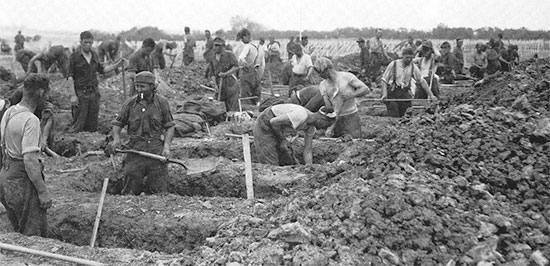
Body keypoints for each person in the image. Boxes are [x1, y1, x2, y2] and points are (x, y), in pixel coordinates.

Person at [0, 73, 53, 237]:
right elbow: (30, 160)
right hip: (22, 180)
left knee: (19, 229)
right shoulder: (30, 120)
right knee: (33, 233)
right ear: (41, 92)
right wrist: (43, 191)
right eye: (47, 93)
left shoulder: (9, 112)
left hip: (6, 176)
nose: (49, 97)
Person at [108, 71, 175, 195]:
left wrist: (166, 147)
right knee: (130, 190)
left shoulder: (162, 103)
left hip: (156, 151)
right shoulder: (129, 104)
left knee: (159, 191)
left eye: (142, 86)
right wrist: (116, 139)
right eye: (137, 86)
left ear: (152, 87)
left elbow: (170, 127)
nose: (139, 90)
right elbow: (117, 124)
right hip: (135, 150)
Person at [67, 31, 123, 133]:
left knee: (93, 122)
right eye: (85, 42)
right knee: (79, 121)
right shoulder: (74, 56)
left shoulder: (94, 55)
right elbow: (70, 77)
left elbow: (102, 70)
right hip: (81, 93)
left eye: (90, 43)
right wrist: (73, 95)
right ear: (81, 42)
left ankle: (91, 140)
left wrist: (117, 64)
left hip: (93, 92)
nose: (88, 45)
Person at [253, 103, 335, 166]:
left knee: (288, 158)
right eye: (326, 125)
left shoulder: (310, 128)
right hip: (265, 122)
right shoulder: (300, 115)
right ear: (322, 119)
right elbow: (273, 122)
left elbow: (307, 150)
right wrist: (282, 139)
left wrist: (310, 167)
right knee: (269, 159)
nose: (324, 129)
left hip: (277, 128)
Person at [314, 57, 370, 138]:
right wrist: (330, 126)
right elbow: (330, 108)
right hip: (336, 120)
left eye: (321, 73)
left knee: (354, 143)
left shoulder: (346, 77)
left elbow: (365, 89)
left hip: (351, 118)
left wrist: (352, 94)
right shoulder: (323, 85)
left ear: (327, 69)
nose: (319, 76)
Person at [381, 48, 435, 117]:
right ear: (402, 56)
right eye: (407, 57)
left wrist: (431, 95)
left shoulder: (413, 67)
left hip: (404, 93)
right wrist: (384, 94)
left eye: (411, 58)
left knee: (407, 115)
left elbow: (422, 81)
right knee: (394, 115)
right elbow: (384, 80)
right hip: (392, 92)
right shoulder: (394, 64)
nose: (409, 60)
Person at [207, 37, 240, 111]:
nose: (215, 48)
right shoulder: (212, 57)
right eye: (214, 45)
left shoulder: (229, 54)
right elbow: (212, 73)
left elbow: (236, 67)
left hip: (230, 83)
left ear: (222, 47)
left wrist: (226, 73)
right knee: (220, 105)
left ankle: (232, 119)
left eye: (217, 46)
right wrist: (215, 84)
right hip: (219, 83)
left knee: (232, 104)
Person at [236, 28, 262, 105]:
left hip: (246, 72)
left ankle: (246, 107)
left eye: (242, 38)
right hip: (254, 71)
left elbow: (241, 58)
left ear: (246, 36)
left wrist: (244, 65)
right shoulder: (257, 46)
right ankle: (256, 106)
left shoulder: (247, 46)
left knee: (245, 92)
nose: (242, 41)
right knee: (255, 91)